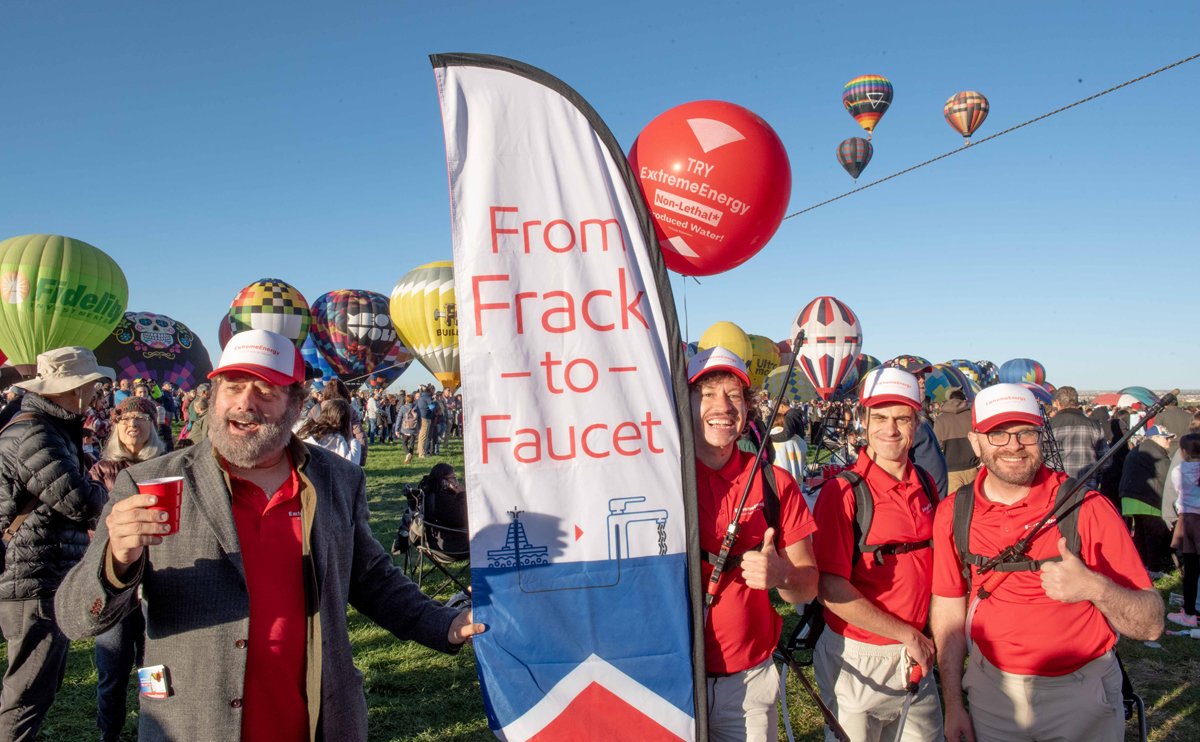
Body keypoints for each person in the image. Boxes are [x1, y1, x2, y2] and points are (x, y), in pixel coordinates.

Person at [56, 330, 484, 742]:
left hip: (318, 718)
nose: (246, 403)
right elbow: (76, 617)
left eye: (266, 391)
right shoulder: (149, 483)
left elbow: (370, 577)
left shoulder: (336, 479)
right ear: (214, 395)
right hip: (193, 721)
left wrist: (444, 622)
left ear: (296, 405)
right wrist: (116, 560)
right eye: (234, 386)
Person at [930, 383, 1163, 742]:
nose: (1013, 445)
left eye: (1026, 432)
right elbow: (948, 608)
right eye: (998, 434)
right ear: (975, 442)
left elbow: (1150, 625)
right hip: (991, 694)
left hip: (1081, 697)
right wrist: (954, 704)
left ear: (1042, 436)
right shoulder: (954, 513)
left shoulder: (1087, 508)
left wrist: (1093, 586)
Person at [688, 347, 818, 742]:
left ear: (747, 407)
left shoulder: (773, 482)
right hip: (673, 679)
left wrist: (782, 575)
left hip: (747, 684)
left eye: (733, 394)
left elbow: (809, 584)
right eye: (707, 393)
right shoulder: (658, 482)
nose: (722, 405)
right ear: (685, 402)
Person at [811, 367, 944, 742]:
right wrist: (906, 634)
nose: (891, 428)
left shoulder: (926, 483)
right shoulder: (843, 492)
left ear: (917, 424)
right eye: (880, 418)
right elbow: (830, 588)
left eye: (902, 418)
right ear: (863, 422)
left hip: (916, 650)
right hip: (859, 656)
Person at [0, 347, 112, 740]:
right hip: (33, 574)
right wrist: (106, 487)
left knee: (37, 685)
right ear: (72, 389)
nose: (96, 393)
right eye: (91, 385)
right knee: (27, 691)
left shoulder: (48, 428)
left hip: (43, 570)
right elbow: (79, 500)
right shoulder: (35, 433)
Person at [89, 396, 166, 742]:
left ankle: (157, 729)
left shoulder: (167, 467)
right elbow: (90, 522)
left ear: (153, 424)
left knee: (155, 667)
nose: (132, 424)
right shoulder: (100, 471)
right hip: (115, 584)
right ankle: (110, 734)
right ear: (115, 427)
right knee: (112, 667)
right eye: (124, 419)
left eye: (140, 418)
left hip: (161, 583)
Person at [1120, 426, 1176, 576]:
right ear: (1155, 438)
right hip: (1147, 497)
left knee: (1140, 532)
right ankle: (1154, 569)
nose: (1170, 440)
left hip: (1130, 497)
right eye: (1166, 437)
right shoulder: (1156, 451)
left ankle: (1141, 566)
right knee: (1154, 533)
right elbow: (1167, 478)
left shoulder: (1139, 449)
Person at [1167, 433, 1200, 628]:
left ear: (1183, 451)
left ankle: (1188, 614)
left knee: (1191, 568)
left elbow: (1178, 490)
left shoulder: (1178, 470)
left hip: (1188, 521)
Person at [1049, 385, 1109, 489]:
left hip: (1056, 488)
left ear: (1058, 402)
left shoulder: (1049, 426)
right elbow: (1106, 460)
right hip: (1087, 488)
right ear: (1076, 402)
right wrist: (1093, 476)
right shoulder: (1094, 426)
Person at [934, 386, 979, 493]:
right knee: (975, 503)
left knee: (954, 504)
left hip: (951, 470)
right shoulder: (972, 417)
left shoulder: (940, 419)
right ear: (964, 401)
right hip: (973, 468)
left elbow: (937, 444)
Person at [297, 399, 362, 464]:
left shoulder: (306, 431)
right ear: (346, 422)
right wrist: (352, 440)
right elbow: (352, 466)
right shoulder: (338, 441)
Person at [397, 394, 419, 464]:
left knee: (404, 443)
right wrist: (419, 427)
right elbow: (419, 418)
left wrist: (397, 429)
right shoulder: (416, 407)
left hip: (405, 428)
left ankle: (407, 453)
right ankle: (410, 457)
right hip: (414, 428)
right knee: (412, 444)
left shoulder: (403, 408)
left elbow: (399, 418)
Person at [416, 386, 434, 458]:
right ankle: (421, 453)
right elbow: (431, 407)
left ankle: (418, 449)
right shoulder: (428, 397)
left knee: (420, 435)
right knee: (423, 436)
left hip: (420, 416)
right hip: (426, 417)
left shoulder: (421, 396)